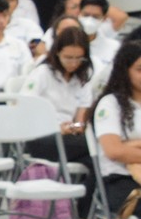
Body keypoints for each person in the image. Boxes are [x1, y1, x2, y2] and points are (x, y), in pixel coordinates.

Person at [20, 23, 97, 167]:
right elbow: (25, 108)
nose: (73, 63)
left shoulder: (82, 78)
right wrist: (56, 127)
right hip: (41, 136)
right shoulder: (42, 73)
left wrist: (76, 126)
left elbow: (81, 119)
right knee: (98, 145)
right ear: (57, 53)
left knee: (96, 162)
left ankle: (88, 189)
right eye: (68, 58)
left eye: (79, 58)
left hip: (70, 138)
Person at [89, 39, 141, 219]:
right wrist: (125, 148)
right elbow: (114, 151)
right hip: (118, 180)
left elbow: (123, 149)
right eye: (139, 70)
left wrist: (131, 146)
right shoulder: (111, 104)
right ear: (124, 71)